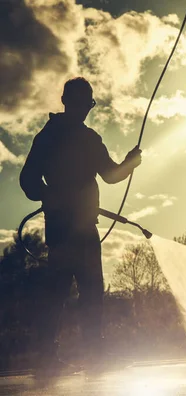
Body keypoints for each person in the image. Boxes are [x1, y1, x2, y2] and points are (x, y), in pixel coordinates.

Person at [19, 77, 142, 374]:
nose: (84, 110)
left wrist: (129, 162)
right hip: (62, 230)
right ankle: (50, 356)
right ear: (65, 101)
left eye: (87, 104)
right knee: (60, 292)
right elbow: (28, 180)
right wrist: (49, 195)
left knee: (90, 292)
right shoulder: (48, 137)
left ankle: (91, 353)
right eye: (79, 103)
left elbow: (111, 175)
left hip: (85, 229)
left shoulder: (90, 139)